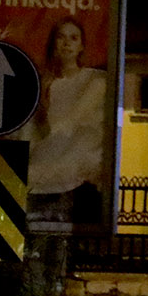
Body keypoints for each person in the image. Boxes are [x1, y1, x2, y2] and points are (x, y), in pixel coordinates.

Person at [27, 16, 111, 226]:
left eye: (73, 38)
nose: (67, 43)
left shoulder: (95, 81)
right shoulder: (42, 82)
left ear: (82, 45)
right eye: (61, 37)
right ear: (53, 43)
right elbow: (34, 131)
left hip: (74, 182)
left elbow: (71, 122)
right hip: (39, 180)